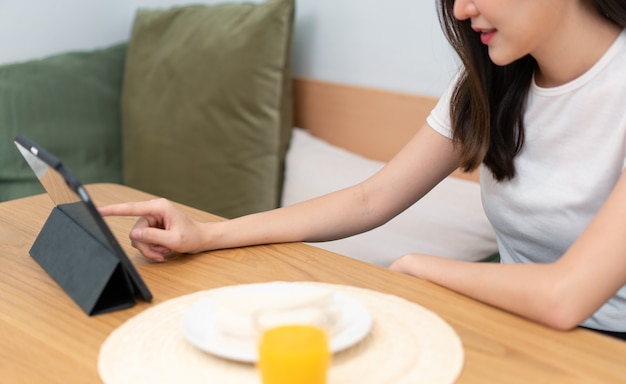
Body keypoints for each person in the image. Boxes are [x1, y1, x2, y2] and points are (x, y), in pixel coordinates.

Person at [100, 0, 626, 339]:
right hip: (513, 331)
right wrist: (210, 234)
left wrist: (418, 265)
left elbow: (565, 297)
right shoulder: (492, 84)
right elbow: (370, 199)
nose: (462, 9)